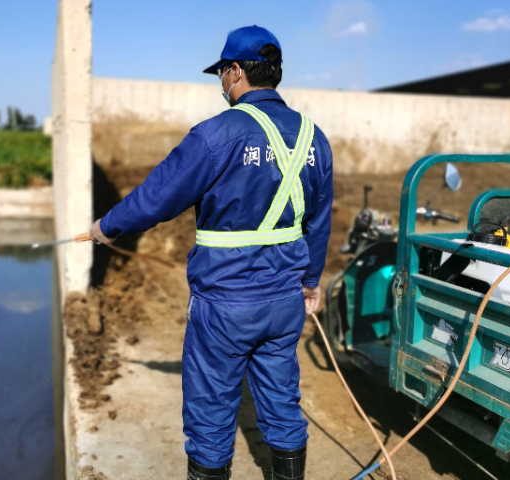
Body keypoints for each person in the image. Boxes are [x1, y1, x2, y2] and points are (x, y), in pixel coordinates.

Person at [90, 25, 333, 480]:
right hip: (283, 303)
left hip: (225, 303)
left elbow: (157, 197)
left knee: (210, 413)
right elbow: (318, 222)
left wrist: (107, 227)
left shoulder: (217, 134)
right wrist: (310, 281)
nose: (221, 82)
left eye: (222, 72)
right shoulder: (313, 138)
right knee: (282, 401)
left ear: (236, 71)